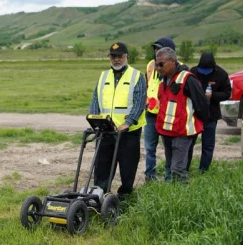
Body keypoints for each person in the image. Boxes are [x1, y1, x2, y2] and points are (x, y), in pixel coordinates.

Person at [89, 42, 147, 198]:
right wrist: (95, 121)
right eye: (113, 57)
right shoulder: (103, 76)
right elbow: (96, 100)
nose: (116, 60)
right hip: (106, 130)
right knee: (102, 166)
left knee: (128, 167)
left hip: (128, 132)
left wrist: (128, 123)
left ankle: (125, 197)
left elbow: (139, 102)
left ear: (126, 57)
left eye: (120, 56)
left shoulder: (137, 76)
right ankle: (100, 196)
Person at [154, 47, 208, 182]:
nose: (158, 67)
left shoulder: (188, 78)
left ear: (172, 61)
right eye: (156, 64)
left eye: (161, 64)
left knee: (178, 169)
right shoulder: (163, 79)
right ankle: (173, 197)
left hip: (182, 133)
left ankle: (183, 199)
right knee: (169, 166)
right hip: (167, 132)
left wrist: (198, 124)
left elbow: (201, 104)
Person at [186, 51, 232, 172]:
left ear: (213, 67)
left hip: (211, 116)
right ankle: (184, 168)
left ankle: (203, 170)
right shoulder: (193, 72)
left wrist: (213, 95)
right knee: (189, 144)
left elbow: (227, 94)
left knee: (207, 145)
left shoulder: (221, 74)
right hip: (194, 115)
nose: (204, 72)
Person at [144, 37, 178, 182]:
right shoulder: (151, 65)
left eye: (159, 49)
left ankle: (169, 177)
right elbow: (148, 84)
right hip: (151, 113)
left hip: (167, 114)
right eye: (155, 49)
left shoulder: (178, 67)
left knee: (169, 149)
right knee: (150, 148)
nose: (156, 52)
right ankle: (150, 176)